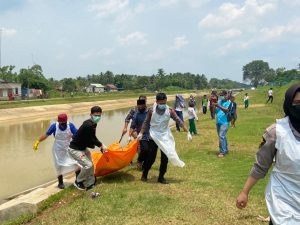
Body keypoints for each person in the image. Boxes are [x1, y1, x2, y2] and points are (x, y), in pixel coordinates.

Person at [236, 83, 300, 225]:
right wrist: (244, 192)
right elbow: (261, 166)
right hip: (284, 200)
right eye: (297, 103)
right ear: (289, 104)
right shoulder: (276, 133)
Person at [138, 93, 191, 184]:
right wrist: (141, 133)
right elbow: (146, 122)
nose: (162, 104)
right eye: (160, 103)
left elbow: (177, 119)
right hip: (153, 136)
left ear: (166, 101)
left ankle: (161, 177)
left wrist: (187, 130)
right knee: (151, 158)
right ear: (157, 101)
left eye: (164, 102)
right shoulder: (151, 110)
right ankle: (144, 174)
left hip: (165, 136)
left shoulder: (169, 110)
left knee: (165, 158)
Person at [33, 113, 78, 189]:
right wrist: (38, 142)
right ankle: (60, 183)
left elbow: (77, 135)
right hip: (58, 148)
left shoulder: (71, 125)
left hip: (69, 146)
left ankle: (78, 181)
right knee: (58, 165)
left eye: (64, 123)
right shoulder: (54, 126)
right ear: (58, 121)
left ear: (66, 121)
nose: (63, 124)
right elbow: (46, 135)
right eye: (61, 123)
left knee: (76, 163)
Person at [68, 106, 107, 191]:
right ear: (91, 114)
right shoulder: (88, 125)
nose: (98, 117)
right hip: (75, 149)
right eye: (96, 115)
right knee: (88, 165)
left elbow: (93, 136)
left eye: (99, 115)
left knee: (91, 165)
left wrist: (101, 146)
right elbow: (92, 139)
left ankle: (90, 183)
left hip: (82, 148)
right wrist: (101, 145)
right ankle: (78, 181)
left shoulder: (93, 124)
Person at [128, 99, 148, 170]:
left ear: (145, 105)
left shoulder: (149, 112)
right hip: (142, 135)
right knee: (144, 149)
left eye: (142, 105)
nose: (140, 107)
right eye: (139, 106)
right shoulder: (136, 114)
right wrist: (129, 136)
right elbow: (132, 126)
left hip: (151, 134)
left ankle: (145, 164)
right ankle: (139, 161)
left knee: (150, 151)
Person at [212, 90, 231, 158]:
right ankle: (226, 149)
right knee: (223, 136)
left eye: (222, 95)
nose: (221, 96)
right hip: (218, 122)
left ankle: (222, 152)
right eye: (220, 95)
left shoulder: (229, 102)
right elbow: (215, 112)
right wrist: (214, 105)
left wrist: (218, 105)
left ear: (226, 95)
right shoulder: (219, 102)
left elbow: (227, 111)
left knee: (221, 136)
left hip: (225, 122)